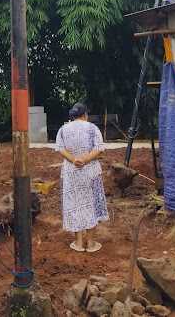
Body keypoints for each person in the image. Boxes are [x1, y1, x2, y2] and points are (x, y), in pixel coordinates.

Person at [55, 102, 109, 252]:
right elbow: (99, 148)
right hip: (90, 172)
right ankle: (91, 243)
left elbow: (60, 148)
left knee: (74, 205)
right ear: (85, 115)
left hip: (71, 172)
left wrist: (73, 159)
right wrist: (85, 160)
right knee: (91, 203)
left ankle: (78, 243)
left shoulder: (63, 129)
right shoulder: (92, 128)